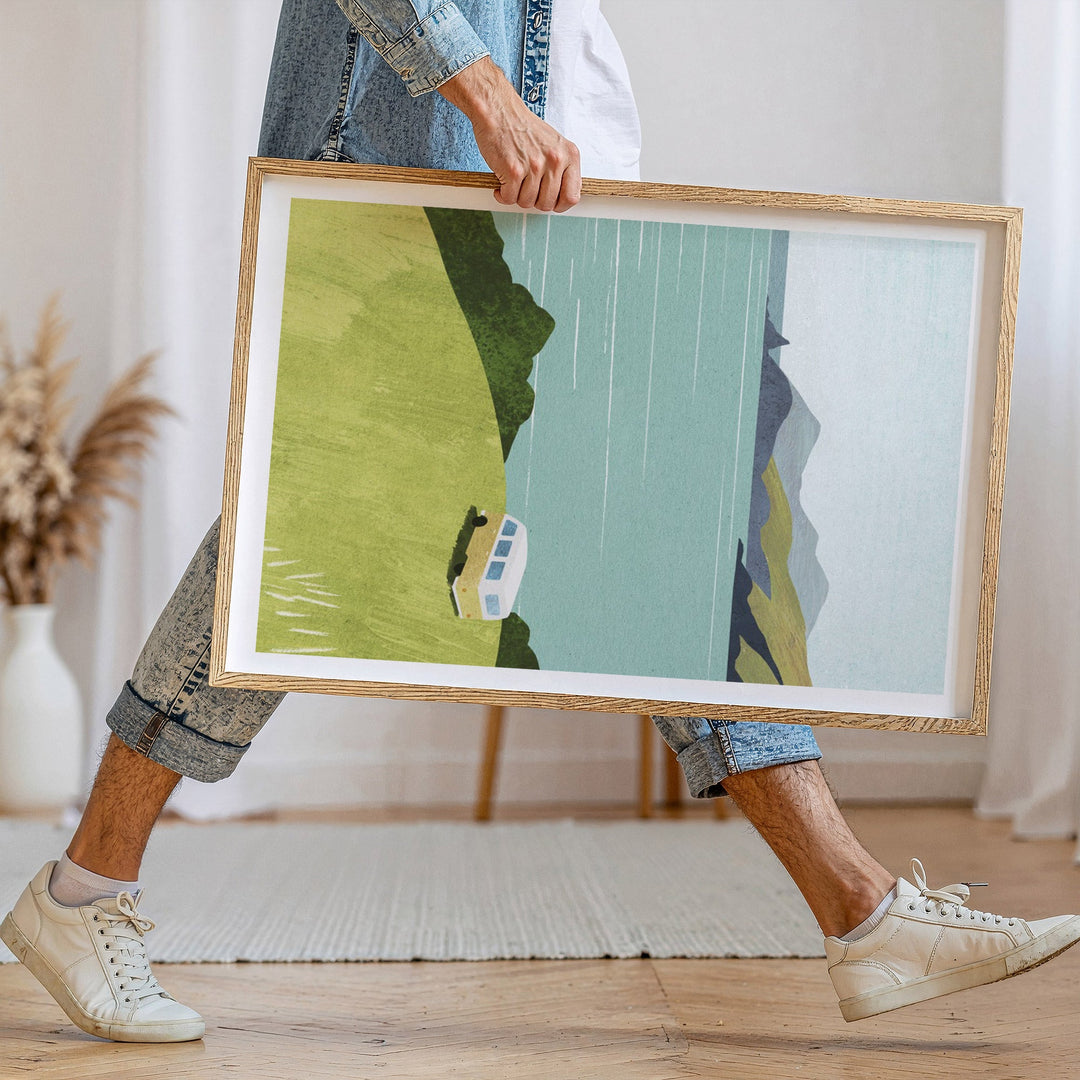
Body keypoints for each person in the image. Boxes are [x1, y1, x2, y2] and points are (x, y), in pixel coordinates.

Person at [3, 0, 1078, 1045]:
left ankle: (864, 914)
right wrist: (480, 93)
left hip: (523, 182)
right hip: (407, 170)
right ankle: (84, 889)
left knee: (651, 525)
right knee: (299, 548)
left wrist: (562, 138)